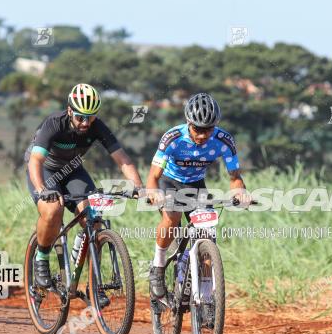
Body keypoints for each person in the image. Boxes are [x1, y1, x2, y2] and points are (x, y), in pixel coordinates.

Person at [26, 83, 143, 288]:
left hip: (72, 170)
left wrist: (139, 187)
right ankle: (41, 258)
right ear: (70, 110)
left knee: (93, 219)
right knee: (53, 210)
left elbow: (122, 159)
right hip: (46, 170)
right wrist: (43, 190)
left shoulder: (97, 126)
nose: (85, 123)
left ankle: (93, 283)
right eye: (80, 117)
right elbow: (35, 161)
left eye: (90, 117)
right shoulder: (54, 123)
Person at [145, 92, 251, 298]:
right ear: (188, 122)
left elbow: (235, 177)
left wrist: (240, 191)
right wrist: (153, 192)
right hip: (170, 182)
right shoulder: (173, 138)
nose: (202, 135)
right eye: (197, 129)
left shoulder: (224, 140)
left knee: (207, 233)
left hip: (196, 185)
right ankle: (157, 266)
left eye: (208, 130)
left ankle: (205, 296)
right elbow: (153, 177)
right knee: (172, 217)